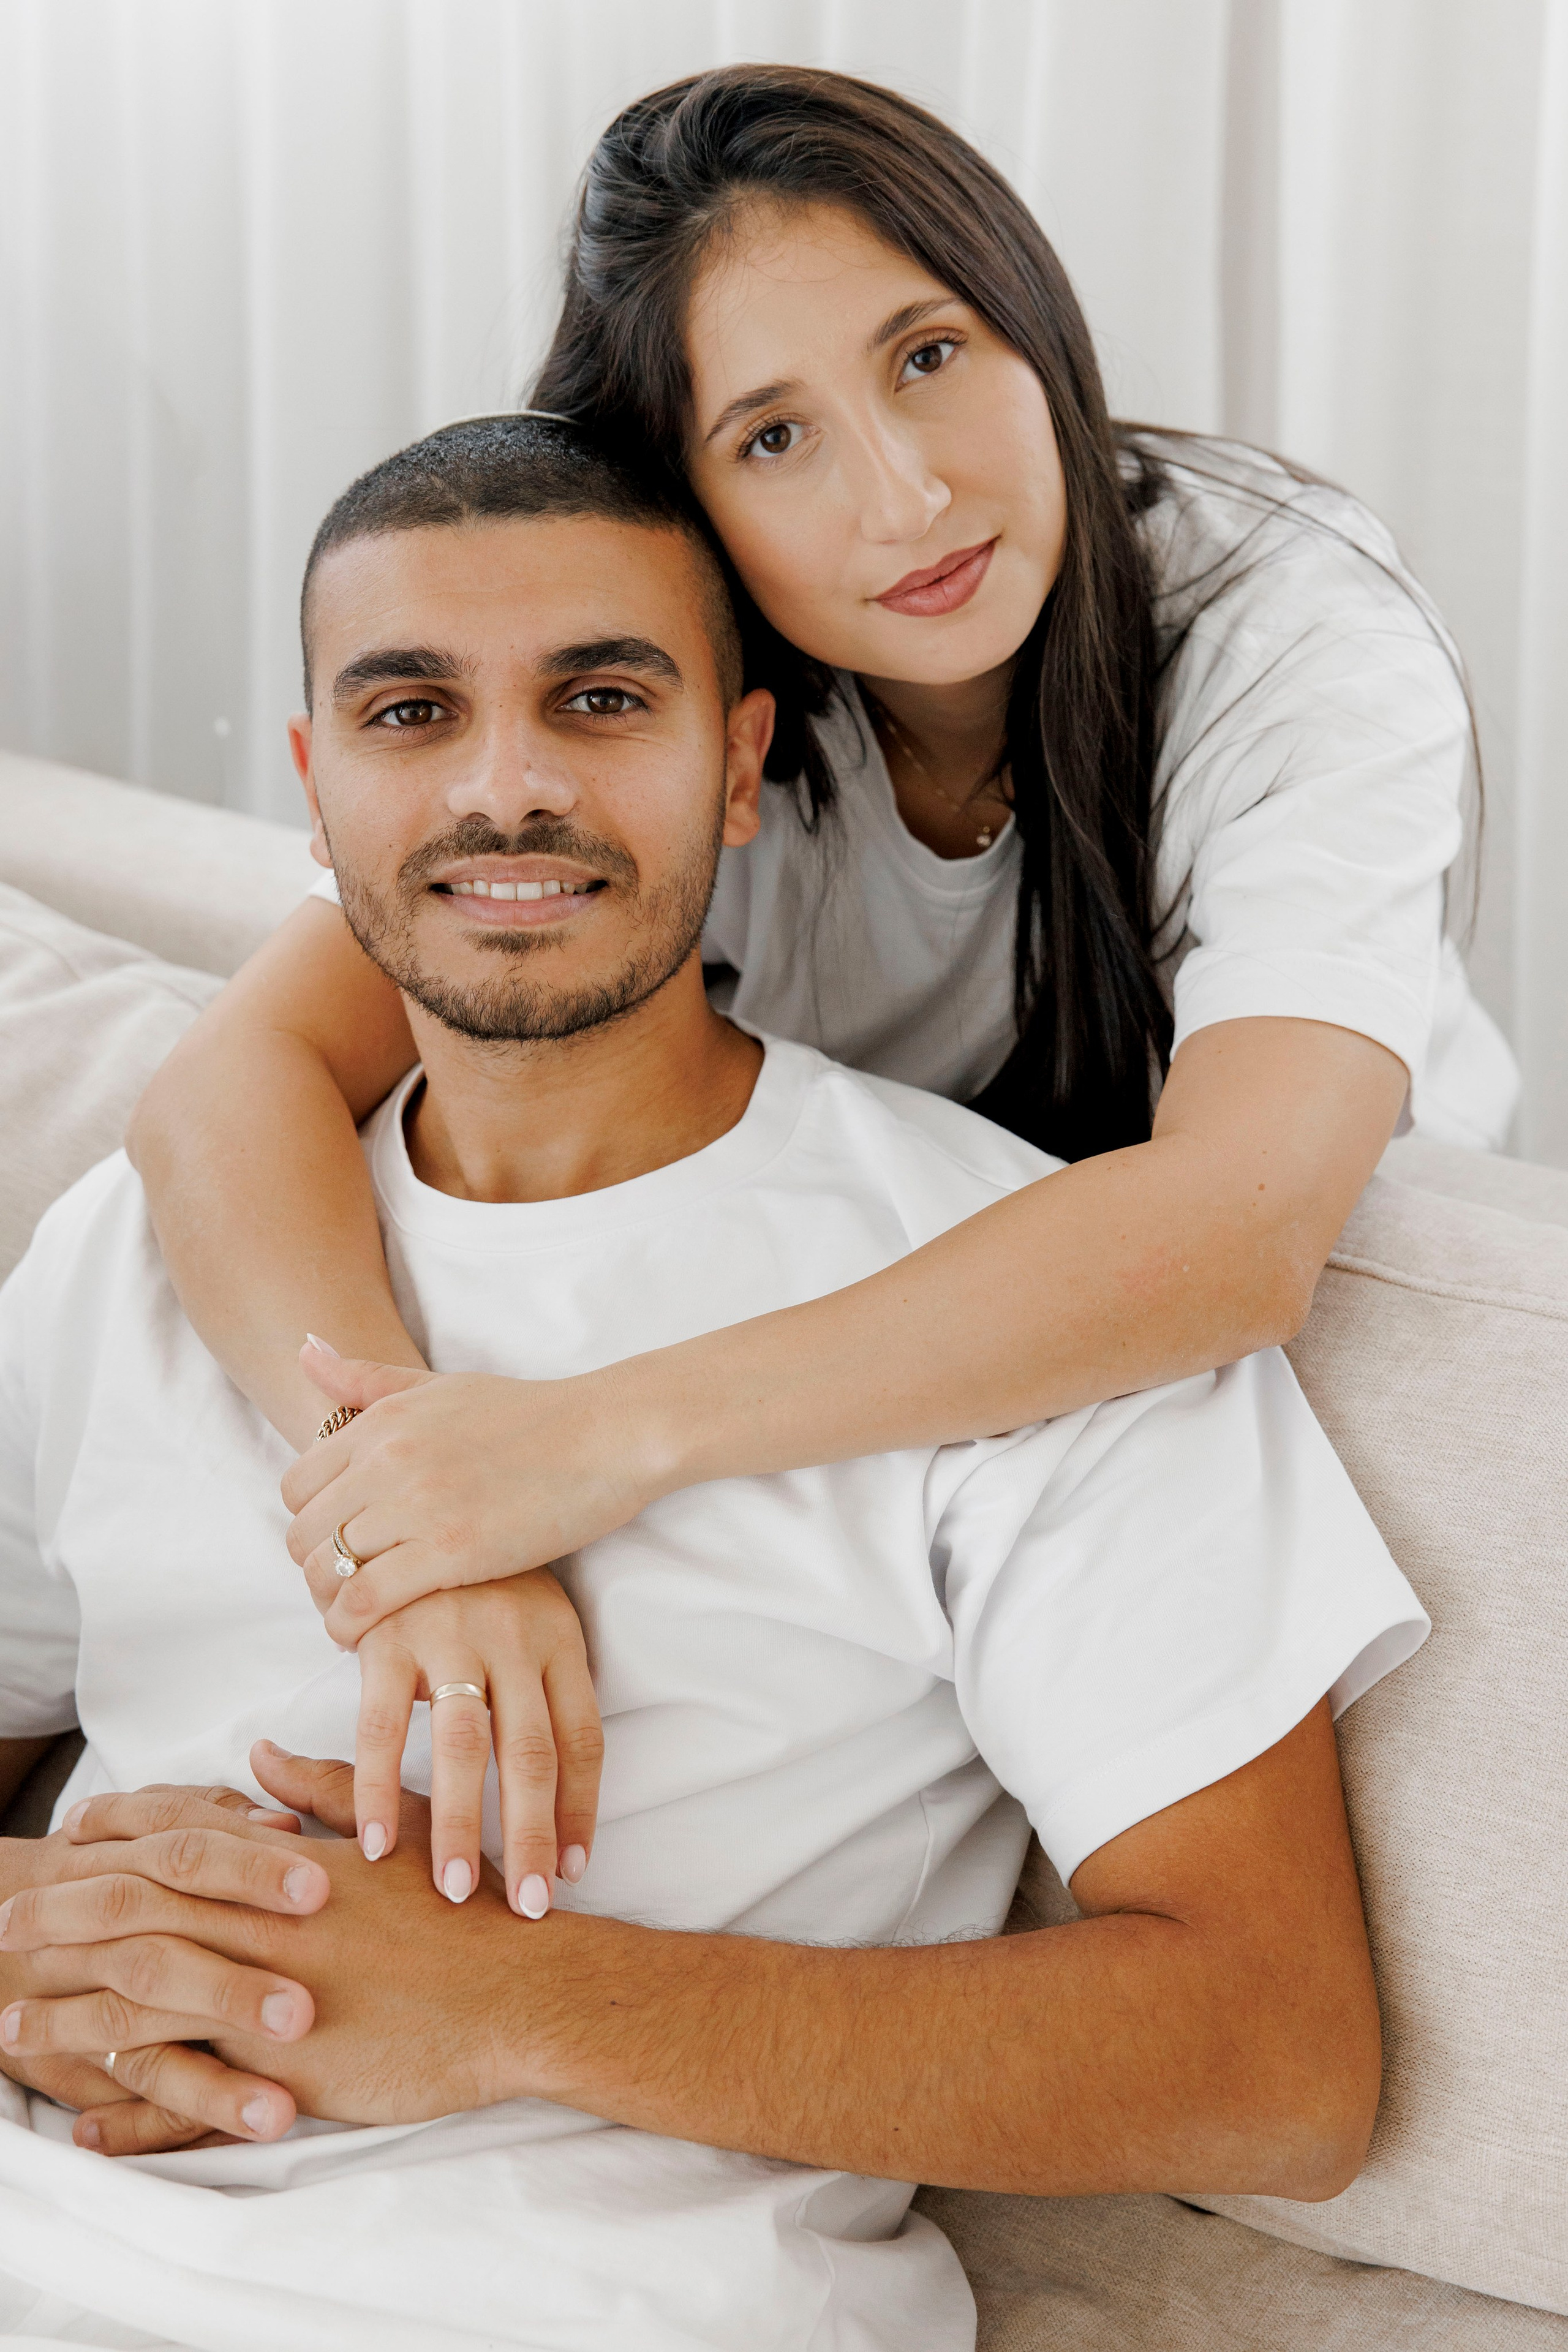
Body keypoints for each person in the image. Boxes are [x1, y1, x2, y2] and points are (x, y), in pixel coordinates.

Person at [0, 419, 1428, 2352]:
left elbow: (1276, 2062)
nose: (507, 790)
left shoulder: (1023, 1305)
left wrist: (502, 2005)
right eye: (413, 713)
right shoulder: (153, 1243)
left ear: (744, 768)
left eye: (600, 699)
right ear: (315, 790)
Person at [123, 72, 1511, 1845]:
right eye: (775, 438)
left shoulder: (1277, 614)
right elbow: (230, 1083)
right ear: (687, 505)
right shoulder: (678, 704)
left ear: (1030, 315)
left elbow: (1238, 1231)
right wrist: (409, 1518)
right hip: (898, 1255)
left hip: (1341, 1262)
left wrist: (577, 1444)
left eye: (929, 354)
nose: (909, 494)